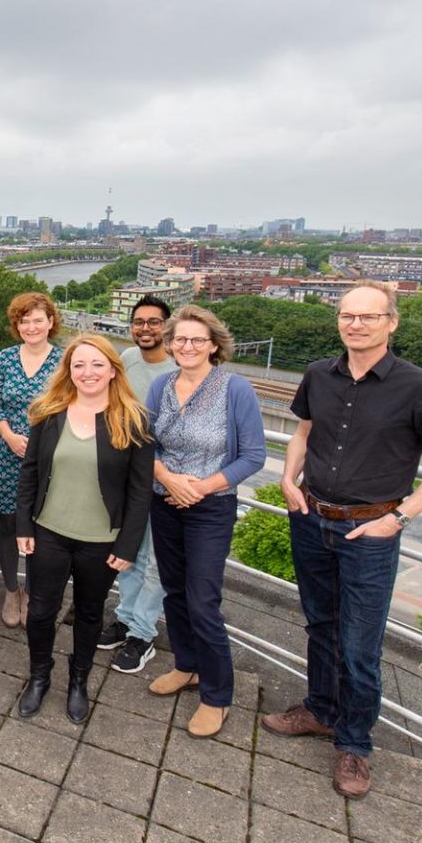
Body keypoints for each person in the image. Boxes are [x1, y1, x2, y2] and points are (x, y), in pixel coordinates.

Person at [265, 281, 422, 799]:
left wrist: (398, 519)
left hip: (370, 530)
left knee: (359, 644)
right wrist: (289, 479)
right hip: (312, 517)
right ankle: (321, 710)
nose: (356, 324)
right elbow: (303, 436)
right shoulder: (317, 375)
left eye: (368, 317)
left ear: (391, 322)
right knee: (320, 624)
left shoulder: (419, 386)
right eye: (348, 316)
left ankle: (355, 745)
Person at [15, 334, 153, 724]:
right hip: (48, 532)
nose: (87, 372)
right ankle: (39, 676)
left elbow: (140, 492)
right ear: (69, 371)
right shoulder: (48, 410)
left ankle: (79, 681)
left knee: (90, 614)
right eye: (79, 365)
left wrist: (127, 545)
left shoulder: (133, 419)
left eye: (96, 364)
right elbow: (30, 473)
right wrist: (24, 524)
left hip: (102, 541)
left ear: (113, 370)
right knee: (41, 612)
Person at [143, 305, 265, 739]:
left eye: (197, 340)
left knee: (202, 600)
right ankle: (187, 665)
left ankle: (217, 695)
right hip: (165, 500)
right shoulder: (160, 386)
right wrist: (168, 480)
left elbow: (253, 456)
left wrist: (201, 487)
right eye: (179, 339)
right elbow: (145, 444)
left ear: (214, 345)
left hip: (210, 507)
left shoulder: (235, 390)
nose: (187, 347)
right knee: (173, 590)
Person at [97, 295, 177, 674]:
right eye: (139, 322)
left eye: (154, 322)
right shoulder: (127, 361)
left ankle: (142, 634)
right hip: (131, 475)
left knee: (156, 560)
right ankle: (125, 618)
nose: (146, 329)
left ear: (167, 325)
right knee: (128, 552)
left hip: (168, 480)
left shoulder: (180, 367)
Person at [0, 292, 63, 627]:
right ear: (17, 325)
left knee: (39, 529)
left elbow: (67, 408)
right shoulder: (5, 358)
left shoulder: (63, 360)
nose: (31, 326)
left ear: (50, 322)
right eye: (24, 320)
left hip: (48, 458)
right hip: (7, 451)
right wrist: (9, 436)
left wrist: (40, 444)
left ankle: (33, 592)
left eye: (37, 319)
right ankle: (11, 590)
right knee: (5, 524)